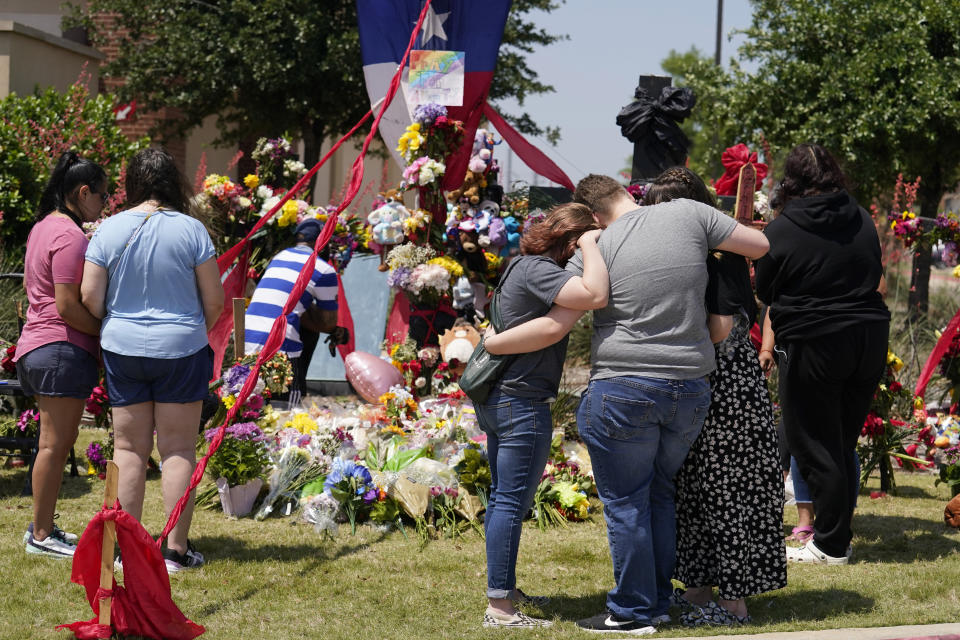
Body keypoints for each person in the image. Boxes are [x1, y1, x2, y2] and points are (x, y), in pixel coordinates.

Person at [485, 173, 769, 634]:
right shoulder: (692, 214)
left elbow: (558, 324)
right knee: (660, 494)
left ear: (593, 215)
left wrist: (493, 345)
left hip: (624, 387)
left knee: (627, 502)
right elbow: (758, 246)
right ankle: (657, 601)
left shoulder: (599, 244)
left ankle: (632, 612)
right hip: (691, 386)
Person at [641, 168, 785, 626]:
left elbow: (721, 330)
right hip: (701, 379)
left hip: (727, 386)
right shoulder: (692, 256)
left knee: (727, 490)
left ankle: (734, 603)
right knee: (692, 488)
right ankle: (699, 590)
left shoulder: (721, 258)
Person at [81, 147, 224, 573]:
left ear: (133, 184)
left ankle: (125, 549)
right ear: (172, 182)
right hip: (180, 346)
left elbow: (90, 295)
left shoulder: (108, 230)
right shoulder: (192, 230)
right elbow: (213, 300)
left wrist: (117, 323)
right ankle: (174, 550)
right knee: (178, 448)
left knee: (128, 449)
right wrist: (193, 328)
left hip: (123, 347)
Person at [477, 202, 609, 629]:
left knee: (503, 499)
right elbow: (593, 296)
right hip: (522, 401)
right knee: (510, 503)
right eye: (586, 241)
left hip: (505, 398)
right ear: (571, 241)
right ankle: (500, 608)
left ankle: (505, 589)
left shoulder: (525, 266)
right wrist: (592, 245)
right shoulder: (540, 271)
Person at [755, 143, 890, 565]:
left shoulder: (783, 227)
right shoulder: (861, 218)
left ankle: (831, 545)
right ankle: (838, 536)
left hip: (816, 340)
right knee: (841, 440)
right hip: (868, 336)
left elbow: (764, 290)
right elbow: (875, 269)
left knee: (813, 441)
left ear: (791, 179)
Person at [16, 151, 107, 557]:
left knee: (52, 443)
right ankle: (41, 535)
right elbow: (68, 306)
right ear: (82, 192)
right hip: (59, 350)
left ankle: (44, 527)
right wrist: (105, 333)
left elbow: (31, 293)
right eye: (102, 197)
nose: (104, 205)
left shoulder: (41, 229)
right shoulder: (71, 236)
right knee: (54, 445)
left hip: (36, 347)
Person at [244, 218, 341, 407]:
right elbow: (327, 323)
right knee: (286, 412)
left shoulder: (279, 256)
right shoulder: (323, 268)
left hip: (248, 339)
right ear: (322, 242)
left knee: (252, 409)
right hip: (280, 346)